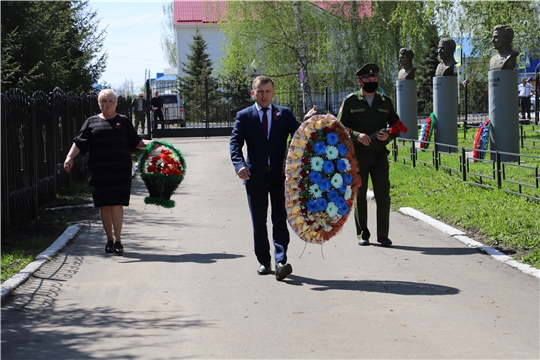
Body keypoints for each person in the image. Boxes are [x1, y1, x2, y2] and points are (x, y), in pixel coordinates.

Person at [63, 89, 156, 256]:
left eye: (110, 101)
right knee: (104, 204)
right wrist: (69, 157)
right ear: (99, 104)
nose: (107, 104)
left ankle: (118, 240)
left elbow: (135, 141)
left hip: (120, 169)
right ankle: (109, 240)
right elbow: (79, 142)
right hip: (99, 170)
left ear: (116, 103)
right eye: (103, 101)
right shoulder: (91, 122)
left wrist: (149, 143)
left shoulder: (124, 121)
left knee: (117, 203)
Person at [229, 75, 301, 281]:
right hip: (254, 177)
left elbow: (299, 133)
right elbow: (235, 144)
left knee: (280, 219)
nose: (264, 95)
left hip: (280, 177)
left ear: (273, 93)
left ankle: (281, 261)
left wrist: (309, 120)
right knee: (259, 221)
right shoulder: (244, 116)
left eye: (267, 91)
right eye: (260, 91)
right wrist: (240, 165)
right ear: (253, 93)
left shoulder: (284, 114)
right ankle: (264, 261)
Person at [336, 63, 401, 247]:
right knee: (360, 194)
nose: (372, 81)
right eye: (368, 79)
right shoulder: (350, 102)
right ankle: (363, 234)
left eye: (375, 79)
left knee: (383, 195)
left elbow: (397, 125)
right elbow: (340, 129)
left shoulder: (385, 101)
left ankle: (383, 235)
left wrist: (389, 135)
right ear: (360, 81)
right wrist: (357, 135)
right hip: (358, 157)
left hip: (380, 155)